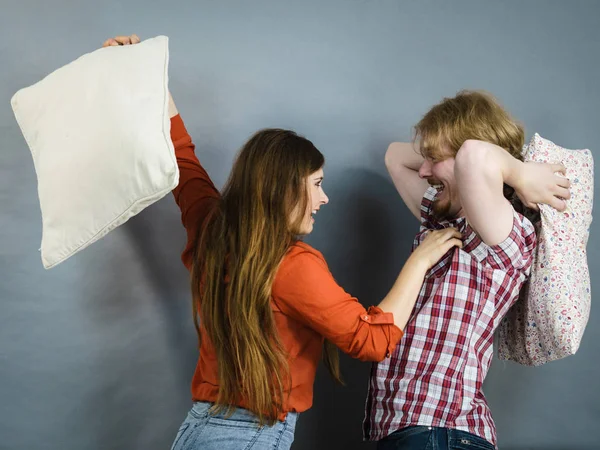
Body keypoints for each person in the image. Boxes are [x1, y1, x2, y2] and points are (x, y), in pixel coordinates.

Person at [102, 35, 463, 450]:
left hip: (198, 431)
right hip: (247, 436)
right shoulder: (293, 265)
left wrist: (143, 71)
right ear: (284, 189)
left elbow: (180, 154)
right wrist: (418, 261)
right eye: (317, 185)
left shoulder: (210, 228)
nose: (324, 199)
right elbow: (371, 340)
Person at [364, 90, 571, 450]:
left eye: (434, 159)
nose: (424, 170)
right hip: (413, 426)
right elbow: (394, 156)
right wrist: (441, 148)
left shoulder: (503, 231)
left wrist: (518, 172)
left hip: (438, 429)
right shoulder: (445, 219)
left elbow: (475, 155)